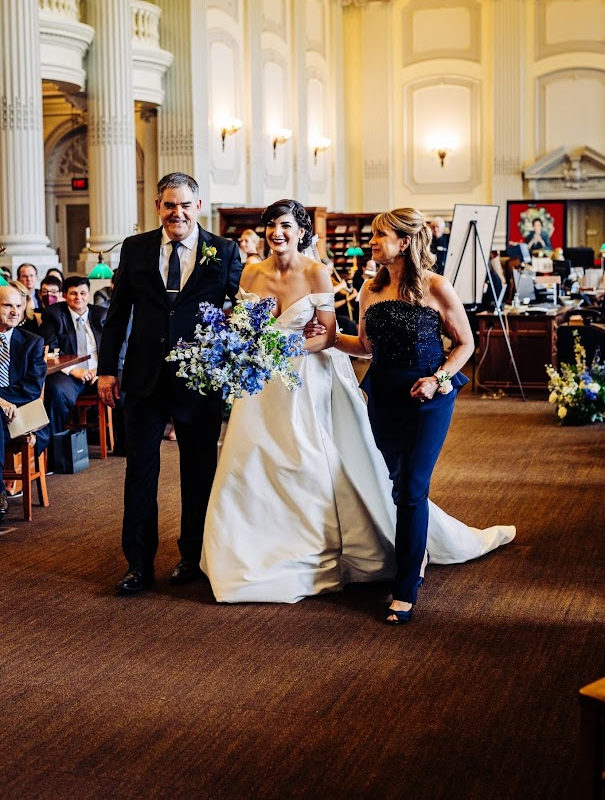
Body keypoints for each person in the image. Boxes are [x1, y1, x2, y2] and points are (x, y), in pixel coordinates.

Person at [201, 201, 515, 607]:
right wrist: (325, 338)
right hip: (382, 394)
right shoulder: (370, 288)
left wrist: (438, 380)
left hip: (428, 395)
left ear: (404, 242)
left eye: (379, 235)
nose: (372, 242)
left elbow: (465, 343)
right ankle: (409, 552)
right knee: (391, 479)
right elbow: (365, 346)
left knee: (412, 488)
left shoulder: (436, 286)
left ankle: (406, 586)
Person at [97, 171, 242, 594]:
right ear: (157, 207)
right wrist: (108, 368)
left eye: (184, 204)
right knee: (140, 473)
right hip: (144, 378)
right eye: (168, 204)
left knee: (199, 473)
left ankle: (192, 557)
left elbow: (242, 310)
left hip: (199, 380)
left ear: (198, 206)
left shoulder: (224, 250)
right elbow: (118, 313)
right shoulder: (136, 247)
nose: (176, 212)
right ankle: (138, 565)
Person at [39, 276, 107, 461]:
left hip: (98, 372)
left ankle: (126, 446)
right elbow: (50, 349)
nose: (79, 297)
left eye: (83, 293)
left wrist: (100, 370)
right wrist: (73, 370)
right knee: (54, 391)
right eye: (73, 293)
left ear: (89, 295)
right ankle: (57, 454)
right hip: (70, 375)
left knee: (128, 386)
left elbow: (113, 347)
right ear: (64, 295)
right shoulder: (53, 315)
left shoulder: (101, 314)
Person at [0, 283, 49, 521]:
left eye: (19, 306)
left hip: (20, 415)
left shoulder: (32, 342)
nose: (15, 311)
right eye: (7, 305)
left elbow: (31, 388)